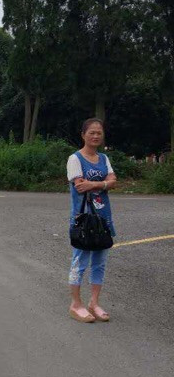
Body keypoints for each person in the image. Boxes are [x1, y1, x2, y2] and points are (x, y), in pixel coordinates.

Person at [67, 118, 117, 322]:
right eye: (91, 132)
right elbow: (80, 186)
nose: (96, 136)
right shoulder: (75, 159)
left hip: (103, 218)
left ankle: (94, 303)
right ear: (83, 135)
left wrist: (95, 184)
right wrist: (104, 183)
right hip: (84, 220)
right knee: (79, 262)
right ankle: (75, 304)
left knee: (100, 263)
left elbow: (114, 181)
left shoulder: (104, 158)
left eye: (99, 133)